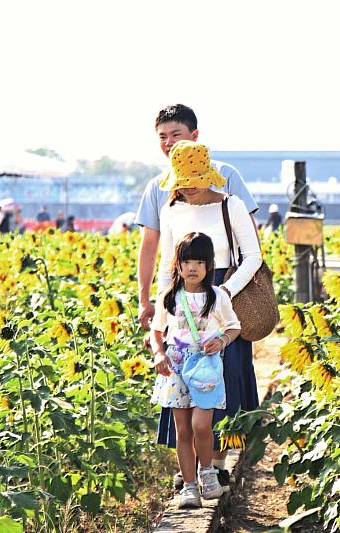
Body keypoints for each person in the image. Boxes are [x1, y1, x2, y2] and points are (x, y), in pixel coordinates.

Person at [135, 105, 259, 493]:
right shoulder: (169, 205)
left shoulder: (229, 198)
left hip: (224, 290)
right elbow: (164, 261)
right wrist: (156, 308)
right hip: (182, 296)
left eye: (176, 134)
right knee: (184, 382)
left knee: (226, 376)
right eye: (163, 136)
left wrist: (225, 292)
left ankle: (217, 463)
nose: (187, 187)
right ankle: (191, 468)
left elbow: (253, 254)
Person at [150, 232, 241, 508]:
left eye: (199, 262)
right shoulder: (169, 297)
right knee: (183, 431)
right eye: (187, 261)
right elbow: (157, 331)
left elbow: (233, 327)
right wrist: (159, 354)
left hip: (206, 366)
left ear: (209, 265)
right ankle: (190, 487)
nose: (192, 268)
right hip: (176, 366)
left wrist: (222, 341)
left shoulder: (217, 297)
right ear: (177, 264)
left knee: (201, 425)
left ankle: (207, 473)